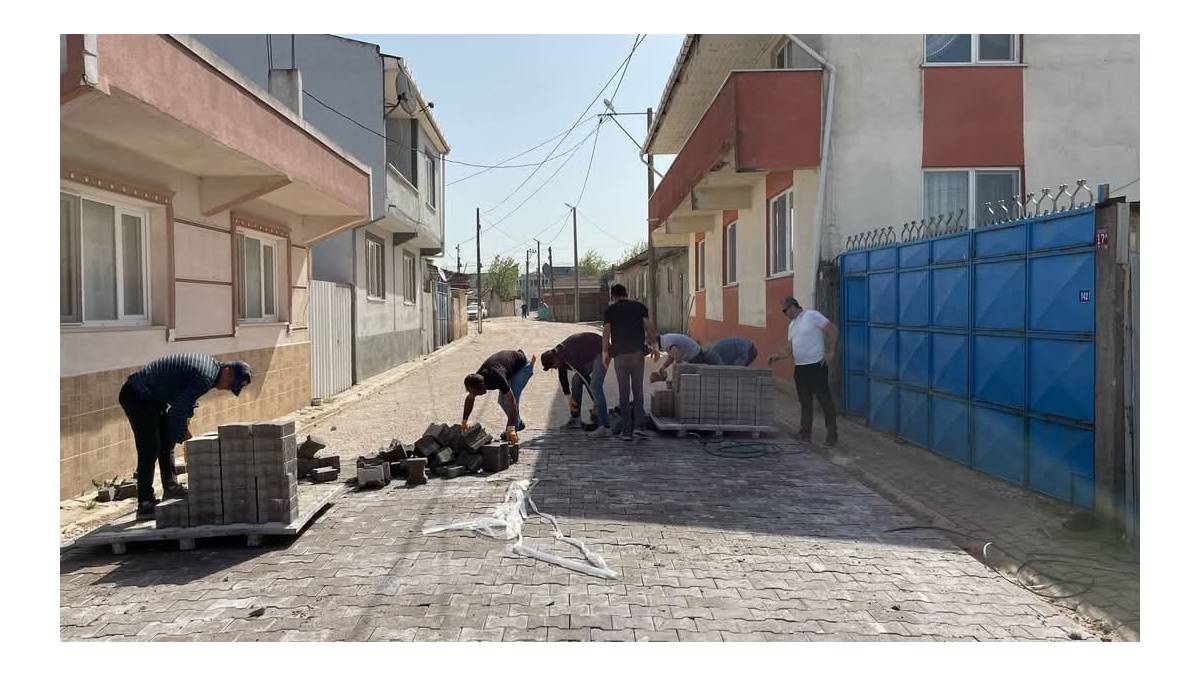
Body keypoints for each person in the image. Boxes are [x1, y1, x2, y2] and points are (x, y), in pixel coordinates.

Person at [119, 353, 253, 519]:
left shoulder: (211, 371)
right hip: (137, 394)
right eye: (230, 384)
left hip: (152, 397)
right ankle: (145, 503)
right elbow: (177, 412)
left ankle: (170, 487)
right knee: (150, 447)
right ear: (228, 370)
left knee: (166, 441)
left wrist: (182, 428)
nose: (227, 388)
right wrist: (187, 440)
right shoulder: (206, 375)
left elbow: (188, 398)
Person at [767, 297, 839, 447]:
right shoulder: (792, 325)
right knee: (805, 402)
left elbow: (832, 329)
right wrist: (778, 356)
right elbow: (790, 349)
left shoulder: (812, 316)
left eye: (786, 311)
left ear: (793, 306)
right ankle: (805, 433)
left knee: (824, 400)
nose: (785, 314)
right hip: (800, 368)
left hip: (816, 366)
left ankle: (832, 435)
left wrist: (831, 351)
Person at [602, 283, 659, 441]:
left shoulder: (610, 310)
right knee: (638, 391)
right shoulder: (639, 307)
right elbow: (649, 328)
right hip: (637, 355)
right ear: (626, 293)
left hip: (620, 356)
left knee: (624, 392)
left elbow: (606, 335)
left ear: (613, 296)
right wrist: (655, 346)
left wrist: (605, 354)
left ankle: (626, 431)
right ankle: (639, 428)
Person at [541, 332, 610, 437]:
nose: (554, 368)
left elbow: (585, 378)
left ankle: (604, 426)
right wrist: (569, 400)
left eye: (553, 366)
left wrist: (595, 401)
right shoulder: (559, 355)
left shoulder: (569, 354)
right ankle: (576, 419)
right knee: (576, 380)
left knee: (595, 385)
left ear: (555, 360)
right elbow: (562, 378)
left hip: (602, 350)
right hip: (590, 355)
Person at [462, 349, 535, 444]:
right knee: (502, 401)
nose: (475, 395)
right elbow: (470, 399)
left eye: (476, 392)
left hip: (522, 367)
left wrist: (511, 428)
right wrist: (464, 420)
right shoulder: (476, 379)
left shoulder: (497, 378)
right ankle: (518, 424)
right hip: (508, 368)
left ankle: (513, 429)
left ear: (483, 386)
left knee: (510, 399)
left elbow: (512, 402)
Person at [651, 334, 759, 382]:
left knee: (721, 375)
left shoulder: (665, 342)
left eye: (650, 345)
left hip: (696, 354)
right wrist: (664, 367)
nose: (652, 349)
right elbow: (673, 355)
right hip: (700, 353)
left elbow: (676, 355)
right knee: (722, 375)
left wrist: (678, 369)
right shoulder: (665, 340)